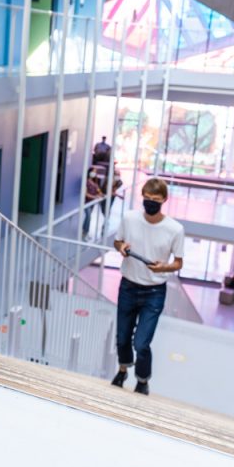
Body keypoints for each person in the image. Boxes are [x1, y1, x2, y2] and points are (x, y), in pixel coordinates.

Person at [111, 178, 185, 395]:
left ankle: (142, 380)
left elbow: (179, 262)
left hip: (154, 292)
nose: (150, 203)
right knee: (122, 337)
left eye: (155, 199)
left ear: (164, 200)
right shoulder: (129, 218)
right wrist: (121, 247)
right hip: (128, 286)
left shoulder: (175, 229)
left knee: (141, 342)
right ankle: (123, 369)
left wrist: (164, 268)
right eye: (147, 198)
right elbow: (117, 242)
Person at [83, 168, 104, 238]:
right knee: (88, 217)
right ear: (89, 172)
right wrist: (95, 197)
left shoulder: (95, 183)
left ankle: (84, 229)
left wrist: (100, 194)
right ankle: (85, 232)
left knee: (87, 217)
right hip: (86, 203)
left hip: (92, 203)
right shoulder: (86, 182)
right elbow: (86, 194)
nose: (94, 173)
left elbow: (99, 191)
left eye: (95, 172)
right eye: (93, 171)